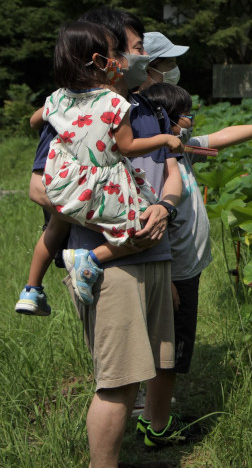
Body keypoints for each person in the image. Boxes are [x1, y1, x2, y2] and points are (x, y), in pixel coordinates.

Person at [27, 7, 181, 467]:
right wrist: (112, 219)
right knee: (116, 381)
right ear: (103, 57)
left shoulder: (144, 108)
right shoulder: (71, 112)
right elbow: (41, 185)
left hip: (152, 250)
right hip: (107, 261)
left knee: (145, 370)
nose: (141, 57)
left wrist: (162, 209)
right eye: (133, 49)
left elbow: (168, 172)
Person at [134, 83, 252, 443]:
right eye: (187, 114)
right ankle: (159, 430)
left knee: (168, 350)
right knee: (171, 355)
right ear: (166, 120)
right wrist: (162, 277)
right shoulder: (154, 165)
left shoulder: (180, 152)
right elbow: (150, 223)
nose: (193, 121)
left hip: (184, 270)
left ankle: (151, 417)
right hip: (174, 274)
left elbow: (225, 136)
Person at [15, 22, 183, 315]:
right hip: (102, 183)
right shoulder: (113, 103)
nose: (122, 61)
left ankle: (31, 289)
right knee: (139, 231)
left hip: (64, 181)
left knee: (55, 226)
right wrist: (166, 139)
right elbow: (128, 146)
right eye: (116, 54)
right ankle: (89, 260)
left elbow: (34, 121)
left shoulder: (57, 98)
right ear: (100, 62)